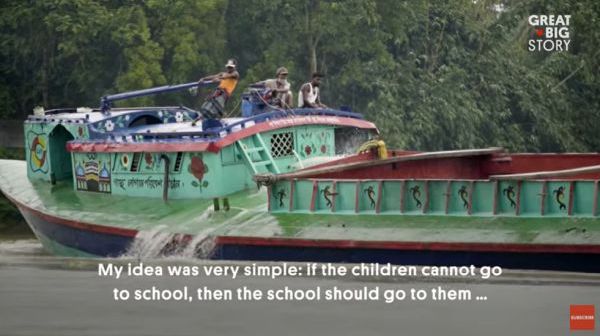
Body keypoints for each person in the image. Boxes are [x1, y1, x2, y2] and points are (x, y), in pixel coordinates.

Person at [192, 59, 239, 124]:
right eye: (228, 67)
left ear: (234, 67)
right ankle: (197, 119)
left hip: (224, 94)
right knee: (208, 106)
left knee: (217, 108)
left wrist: (219, 78)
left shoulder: (235, 74)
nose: (229, 68)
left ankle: (222, 121)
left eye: (231, 67)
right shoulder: (223, 73)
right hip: (218, 92)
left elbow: (227, 76)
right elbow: (214, 76)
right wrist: (203, 78)